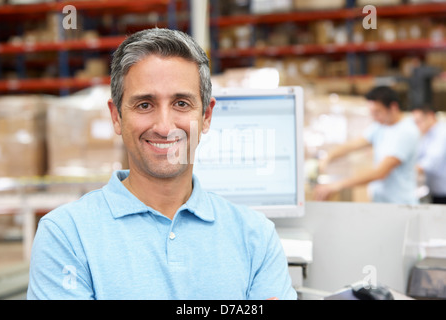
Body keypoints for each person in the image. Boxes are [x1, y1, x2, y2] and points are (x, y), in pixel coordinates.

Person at [27, 28, 296, 300]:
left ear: (206, 116)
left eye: (181, 103)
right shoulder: (66, 235)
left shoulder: (256, 237)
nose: (165, 127)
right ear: (117, 116)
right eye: (145, 105)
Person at [314, 86, 420, 205]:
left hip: (400, 204)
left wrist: (336, 185)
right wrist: (328, 157)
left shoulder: (406, 132)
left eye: (377, 112)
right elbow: (354, 144)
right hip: (382, 202)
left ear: (393, 107)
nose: (374, 117)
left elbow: (381, 172)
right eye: (372, 113)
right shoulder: (381, 126)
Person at [412, 105, 446, 204]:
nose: (417, 125)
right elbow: (417, 156)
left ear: (430, 116)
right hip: (435, 190)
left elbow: (431, 162)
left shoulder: (442, 133)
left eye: (419, 121)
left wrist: (406, 170)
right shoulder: (427, 135)